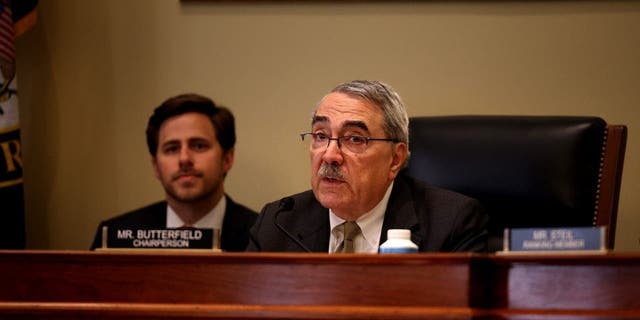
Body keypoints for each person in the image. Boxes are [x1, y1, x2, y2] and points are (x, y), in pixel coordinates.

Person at [247, 80, 488, 253]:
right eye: (320, 136)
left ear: (395, 159)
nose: (330, 155)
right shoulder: (278, 223)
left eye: (354, 139)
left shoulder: (451, 224)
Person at [91, 93, 257, 251]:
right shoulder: (113, 238)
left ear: (227, 159)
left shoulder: (264, 236)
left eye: (198, 145)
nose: (184, 159)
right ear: (156, 166)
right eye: (172, 149)